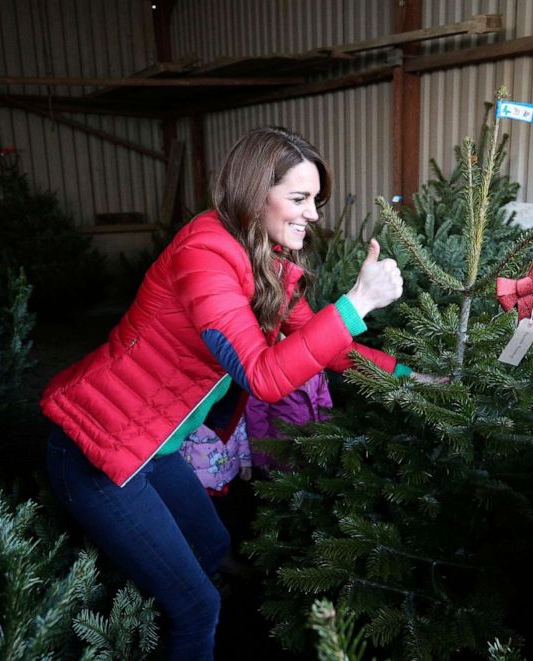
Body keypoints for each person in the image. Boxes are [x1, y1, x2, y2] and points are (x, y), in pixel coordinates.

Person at [41, 126, 416, 660]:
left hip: (154, 445)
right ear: (252, 192)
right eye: (299, 198)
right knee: (196, 608)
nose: (313, 213)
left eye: (317, 200)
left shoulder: (266, 265)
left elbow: (324, 347)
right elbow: (262, 375)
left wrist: (410, 379)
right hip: (99, 451)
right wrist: (356, 303)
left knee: (213, 544)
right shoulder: (205, 253)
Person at [245, 369, 332, 475]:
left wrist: (329, 439)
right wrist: (262, 455)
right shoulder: (268, 373)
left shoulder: (316, 370)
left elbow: (324, 404)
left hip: (314, 445)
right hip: (282, 450)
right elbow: (256, 415)